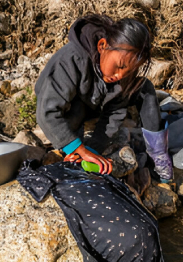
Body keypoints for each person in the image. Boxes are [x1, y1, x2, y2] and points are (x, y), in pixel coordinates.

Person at [34, 14, 173, 182]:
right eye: (119, 66)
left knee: (146, 89)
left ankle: (158, 155)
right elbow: (47, 113)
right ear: (102, 46)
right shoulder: (71, 59)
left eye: (128, 71)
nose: (120, 75)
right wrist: (78, 149)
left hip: (97, 104)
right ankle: (69, 146)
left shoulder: (125, 69)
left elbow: (114, 112)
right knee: (74, 116)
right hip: (70, 107)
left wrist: (94, 149)